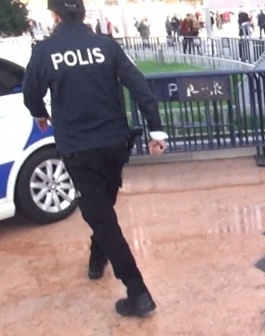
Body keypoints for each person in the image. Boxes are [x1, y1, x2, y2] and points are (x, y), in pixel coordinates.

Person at [22, 0, 168, 317]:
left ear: (55, 16)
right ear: (83, 14)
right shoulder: (105, 46)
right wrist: (156, 131)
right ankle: (96, 259)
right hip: (116, 145)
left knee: (101, 218)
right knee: (102, 209)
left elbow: (31, 94)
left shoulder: (45, 51)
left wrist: (40, 115)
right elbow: (139, 85)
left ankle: (138, 293)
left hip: (79, 149)